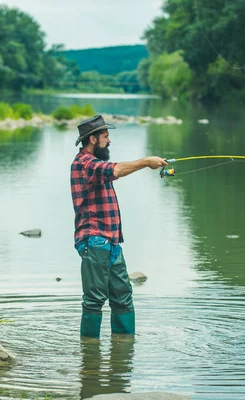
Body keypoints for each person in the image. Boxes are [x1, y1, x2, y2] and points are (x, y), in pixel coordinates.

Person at [70, 114, 167, 338]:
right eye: (105, 136)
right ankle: (90, 356)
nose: (109, 141)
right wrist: (145, 162)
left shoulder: (96, 164)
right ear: (93, 139)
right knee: (94, 301)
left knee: (123, 297)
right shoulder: (84, 163)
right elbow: (115, 170)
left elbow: (112, 170)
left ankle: (123, 354)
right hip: (93, 241)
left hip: (112, 242)